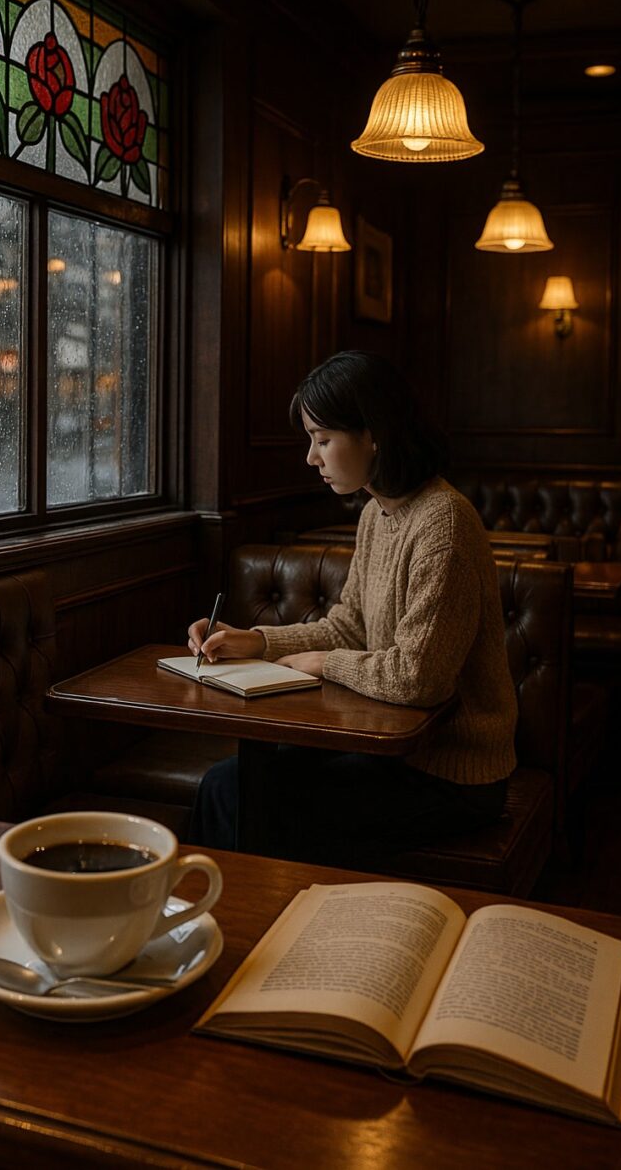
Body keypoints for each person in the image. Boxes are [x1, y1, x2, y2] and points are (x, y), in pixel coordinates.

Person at [188, 350, 518, 870]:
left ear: (374, 434)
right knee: (230, 783)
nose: (311, 458)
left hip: (451, 775)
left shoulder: (443, 524)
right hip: (391, 753)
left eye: (322, 440)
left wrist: (324, 663)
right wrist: (258, 641)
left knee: (239, 794)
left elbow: (420, 678)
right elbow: (350, 625)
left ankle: (267, 929)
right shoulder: (376, 514)